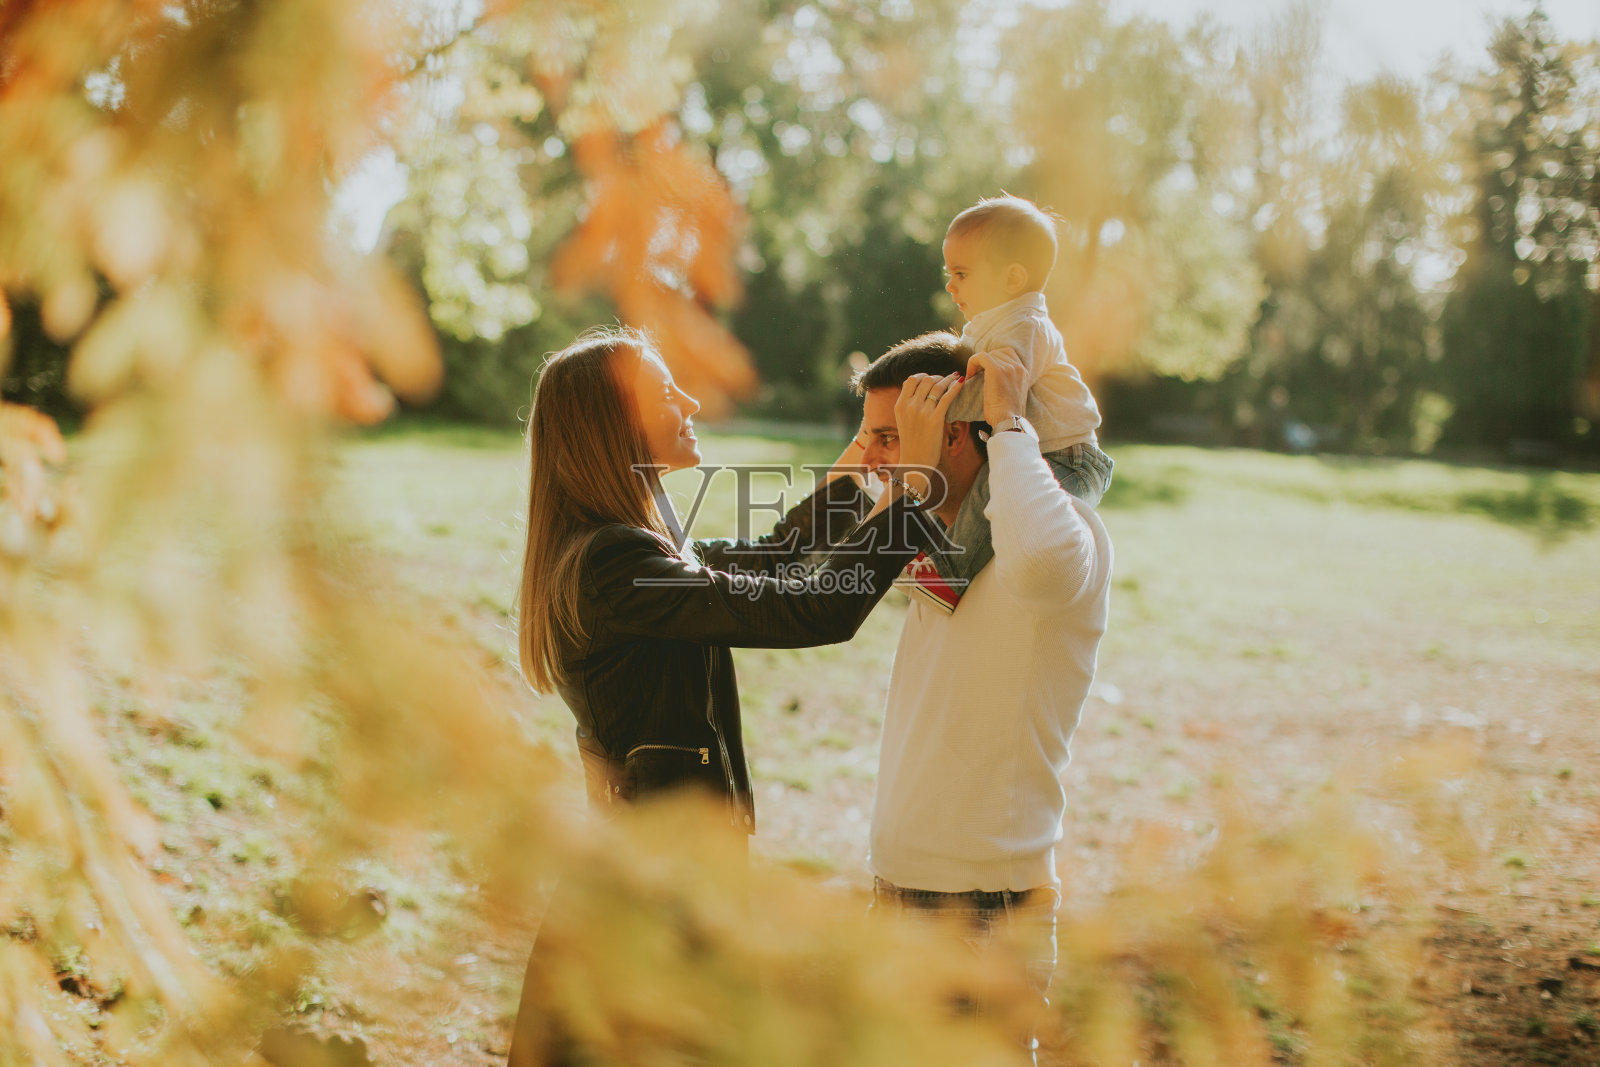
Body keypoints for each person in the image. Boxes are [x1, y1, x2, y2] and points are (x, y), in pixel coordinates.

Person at [507, 325, 953, 1066]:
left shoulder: (637, 544)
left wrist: (860, 462)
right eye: (663, 392)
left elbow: (776, 559)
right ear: (614, 425)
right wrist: (913, 492)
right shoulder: (615, 564)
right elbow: (809, 608)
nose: (688, 399)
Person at [852, 331, 1116, 1061]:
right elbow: (817, 561)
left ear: (962, 437)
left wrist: (1006, 419)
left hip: (982, 908)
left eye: (891, 436)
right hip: (903, 883)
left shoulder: (1065, 541)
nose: (878, 458)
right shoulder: (940, 542)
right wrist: (900, 458)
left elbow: (1044, 553)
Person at [917, 194, 1114, 611]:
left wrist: (936, 404)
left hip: (1069, 456)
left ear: (1011, 279)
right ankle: (930, 549)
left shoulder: (1024, 326)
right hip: (1039, 448)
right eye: (948, 272)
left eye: (962, 273)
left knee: (997, 496)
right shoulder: (994, 325)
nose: (950, 285)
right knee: (979, 490)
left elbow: (998, 390)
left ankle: (949, 573)